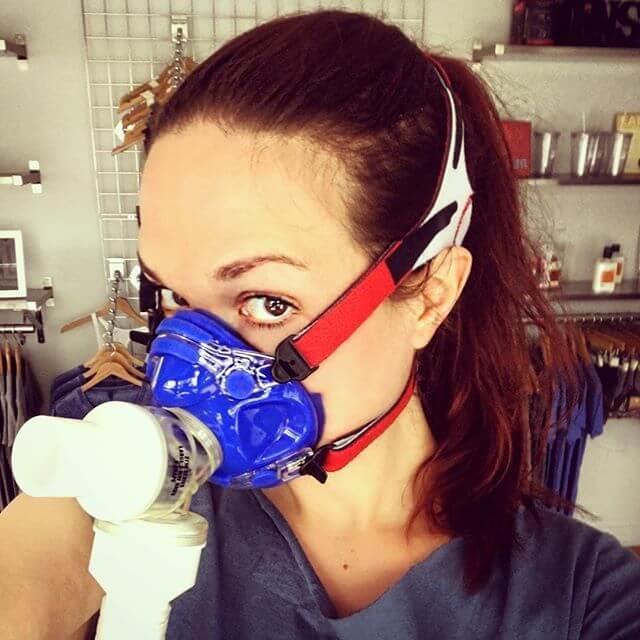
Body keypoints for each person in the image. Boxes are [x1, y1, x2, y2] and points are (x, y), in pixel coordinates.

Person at [1, 9, 639, 640]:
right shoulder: (112, 487)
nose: (187, 374)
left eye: (267, 303)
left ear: (431, 293)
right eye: (172, 296)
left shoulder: (579, 598)